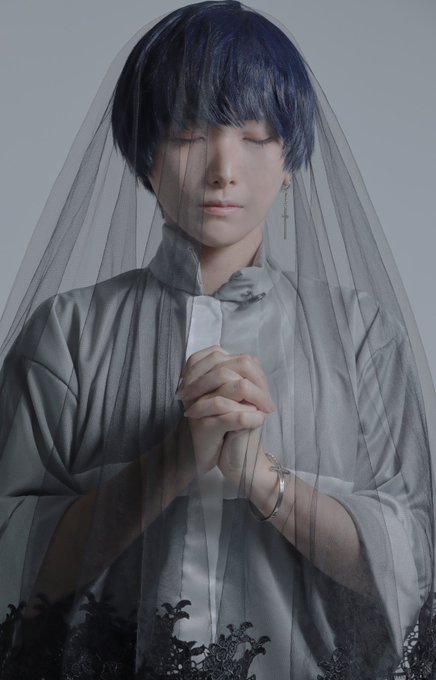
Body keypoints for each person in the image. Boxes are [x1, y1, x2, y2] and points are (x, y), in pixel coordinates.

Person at [0, 2, 434, 678]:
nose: (223, 168)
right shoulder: (67, 334)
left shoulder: (363, 336)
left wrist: (263, 480)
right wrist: (173, 461)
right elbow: (10, 565)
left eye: (255, 134)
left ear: (289, 160)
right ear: (144, 155)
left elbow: (413, 565)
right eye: (187, 132)